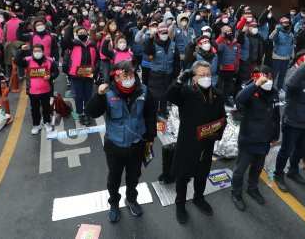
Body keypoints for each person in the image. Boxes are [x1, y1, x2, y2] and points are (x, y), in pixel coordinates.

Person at [85, 61, 157, 223]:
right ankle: (114, 203)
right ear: (116, 77)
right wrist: (99, 95)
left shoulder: (144, 91)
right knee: (114, 178)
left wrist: (151, 137)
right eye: (125, 76)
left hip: (137, 144)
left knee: (134, 176)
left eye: (131, 75)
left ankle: (131, 199)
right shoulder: (108, 93)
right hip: (114, 146)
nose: (129, 78)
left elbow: (151, 115)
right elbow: (91, 112)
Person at [166, 61, 227, 224]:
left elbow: (223, 119)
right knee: (183, 176)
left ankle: (198, 198)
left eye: (209, 75)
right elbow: (169, 95)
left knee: (202, 174)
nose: (207, 78)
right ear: (194, 78)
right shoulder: (186, 92)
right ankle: (180, 204)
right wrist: (179, 80)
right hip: (188, 143)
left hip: (207, 144)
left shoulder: (218, 94)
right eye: (202, 75)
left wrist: (217, 134)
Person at [231, 66, 279, 211]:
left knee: (257, 168)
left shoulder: (274, 93)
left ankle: (252, 188)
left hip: (264, 140)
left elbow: (276, 116)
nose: (268, 81)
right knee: (240, 170)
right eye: (265, 77)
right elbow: (239, 98)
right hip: (249, 139)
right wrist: (256, 84)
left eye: (270, 78)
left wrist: (275, 135)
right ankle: (236, 193)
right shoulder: (250, 92)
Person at [273, 51, 305, 193]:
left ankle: (293, 170)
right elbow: (291, 85)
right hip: (293, 121)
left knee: (301, 149)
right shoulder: (292, 73)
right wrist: (303, 67)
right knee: (286, 150)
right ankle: (278, 173)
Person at [15, 43, 60, 134]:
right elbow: (17, 61)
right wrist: (21, 51)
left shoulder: (50, 60)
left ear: (43, 52)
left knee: (46, 108)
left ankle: (47, 122)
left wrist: (50, 76)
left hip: (46, 90)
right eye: (35, 51)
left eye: (39, 51)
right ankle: (36, 124)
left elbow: (56, 72)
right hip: (33, 91)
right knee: (34, 109)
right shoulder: (27, 60)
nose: (37, 53)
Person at [143, 24, 179, 119]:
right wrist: (150, 38)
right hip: (156, 74)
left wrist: (176, 74)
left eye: (166, 33)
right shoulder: (154, 44)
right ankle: (153, 113)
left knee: (165, 95)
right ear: (158, 34)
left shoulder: (173, 45)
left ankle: (162, 112)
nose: (164, 35)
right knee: (154, 95)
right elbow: (146, 50)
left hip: (168, 74)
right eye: (162, 33)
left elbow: (176, 60)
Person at [64, 26, 98, 126]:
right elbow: (66, 39)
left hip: (89, 74)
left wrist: (95, 69)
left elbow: (97, 59)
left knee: (88, 95)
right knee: (79, 96)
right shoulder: (73, 44)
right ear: (77, 34)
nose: (82, 34)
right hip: (76, 74)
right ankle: (80, 113)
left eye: (84, 32)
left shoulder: (92, 44)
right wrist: (69, 27)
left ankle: (87, 113)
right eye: (80, 32)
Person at [269, 17, 294, 91]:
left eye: (287, 23)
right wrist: (276, 30)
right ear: (281, 24)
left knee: (282, 75)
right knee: (273, 75)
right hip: (277, 57)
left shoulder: (290, 34)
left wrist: (292, 55)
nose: (286, 24)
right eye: (284, 23)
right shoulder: (278, 32)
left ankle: (279, 89)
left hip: (286, 58)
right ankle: (270, 88)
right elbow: (271, 38)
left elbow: (292, 45)